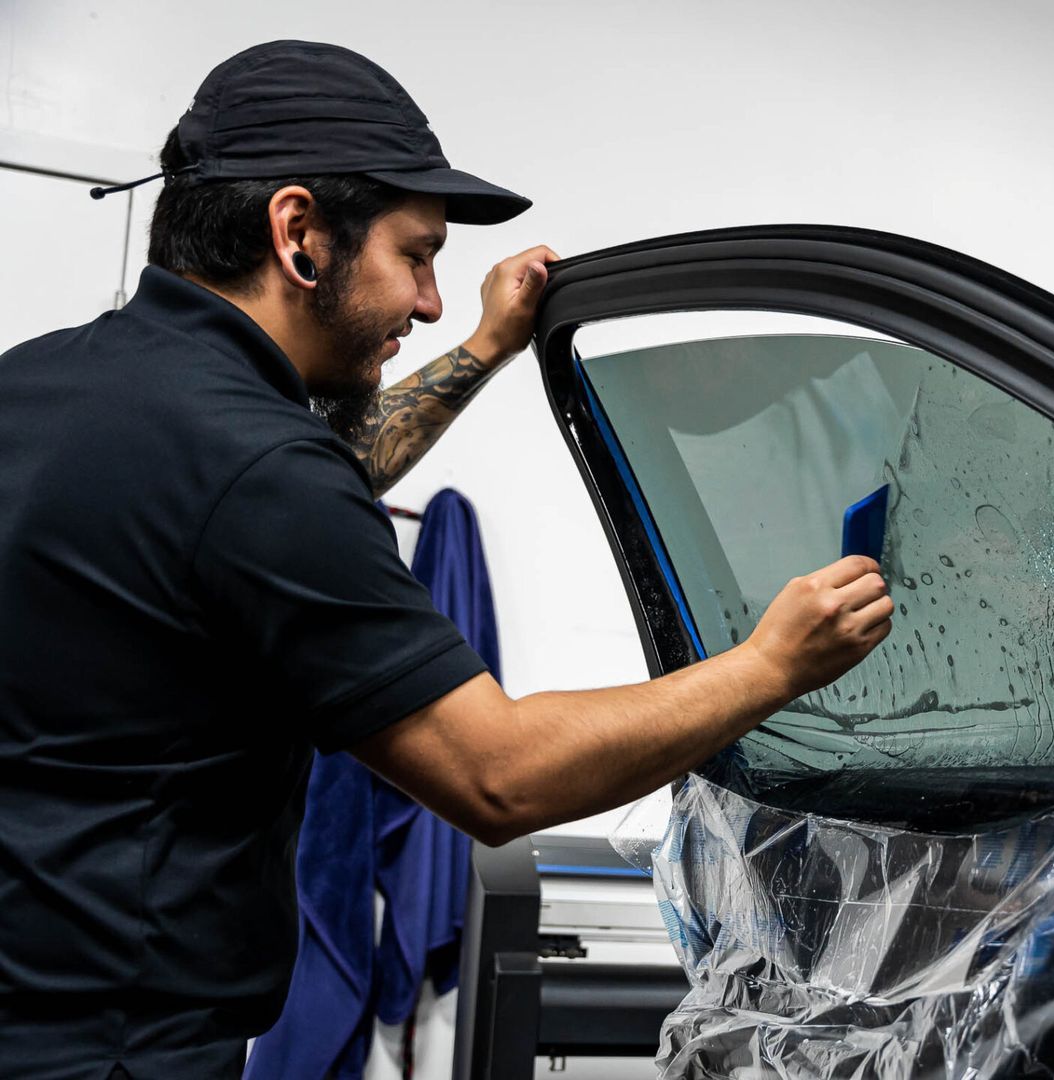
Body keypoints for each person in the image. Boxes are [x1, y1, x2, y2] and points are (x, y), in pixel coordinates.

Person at [0, 41, 892, 1077]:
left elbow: (284, 495)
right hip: (109, 1053)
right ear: (298, 235)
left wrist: (483, 349)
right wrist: (768, 667)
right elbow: (495, 775)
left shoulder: (43, 388)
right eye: (415, 255)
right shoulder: (260, 469)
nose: (427, 300)